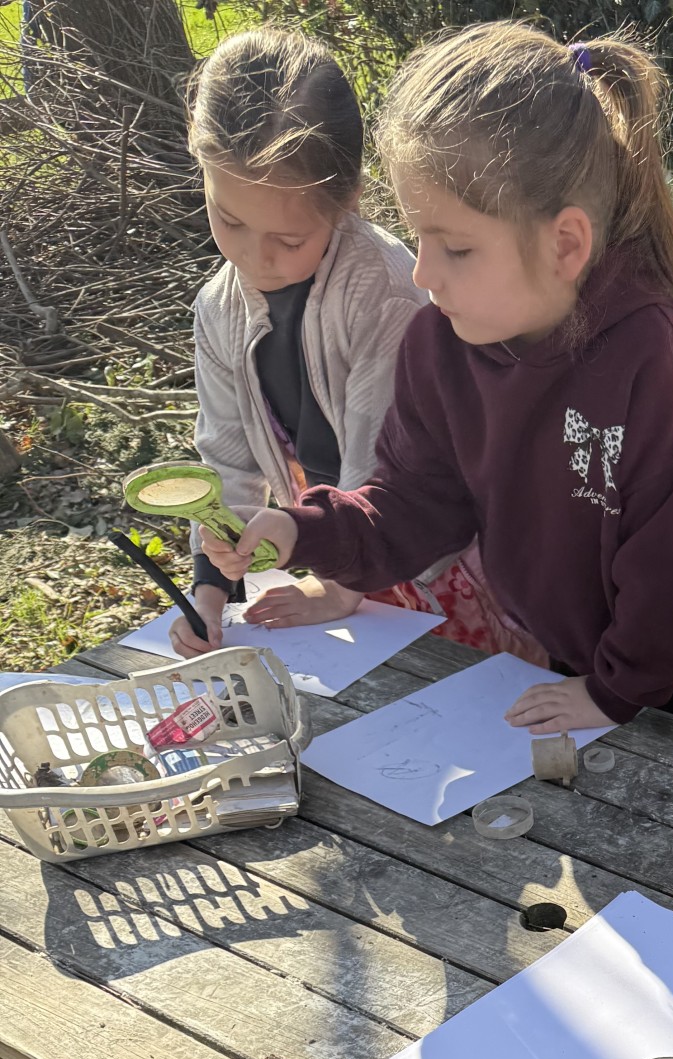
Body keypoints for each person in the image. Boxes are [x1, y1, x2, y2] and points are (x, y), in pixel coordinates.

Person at [204, 23, 673, 739]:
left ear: (565, 243)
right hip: (577, 669)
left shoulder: (655, 369)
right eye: (419, 237)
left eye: (456, 249)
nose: (422, 273)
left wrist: (614, 692)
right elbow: (411, 505)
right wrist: (299, 530)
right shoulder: (443, 344)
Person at [171, 29, 450, 662]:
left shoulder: (383, 296)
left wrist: (341, 587)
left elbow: (383, 464)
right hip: (327, 549)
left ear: (347, 199)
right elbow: (226, 463)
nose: (254, 257)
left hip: (421, 566)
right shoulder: (219, 307)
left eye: (289, 239)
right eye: (229, 220)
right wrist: (211, 590)